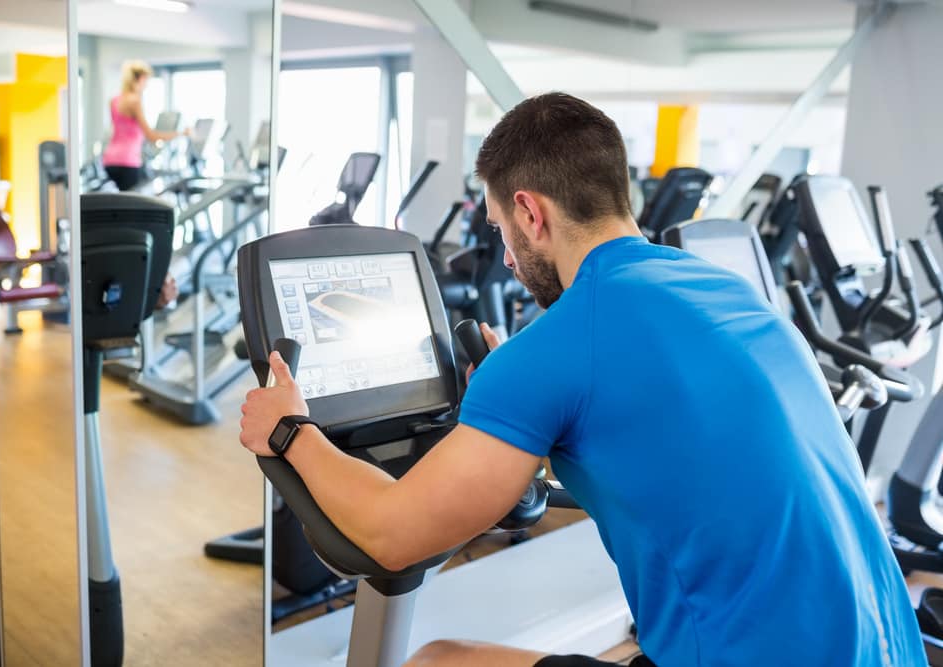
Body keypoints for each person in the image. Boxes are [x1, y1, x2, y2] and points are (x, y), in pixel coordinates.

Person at [238, 93, 924, 666]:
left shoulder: (559, 346)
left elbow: (391, 534)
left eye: (503, 226)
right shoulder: (729, 290)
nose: (506, 256)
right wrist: (519, 411)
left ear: (533, 212)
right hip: (893, 647)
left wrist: (290, 429)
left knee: (438, 661)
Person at [102, 60, 184, 192]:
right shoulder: (135, 101)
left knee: (122, 201)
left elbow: (120, 131)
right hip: (128, 161)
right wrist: (180, 134)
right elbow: (151, 135)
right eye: (146, 81)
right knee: (131, 206)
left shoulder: (114, 100)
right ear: (139, 79)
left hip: (110, 160)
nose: (146, 85)